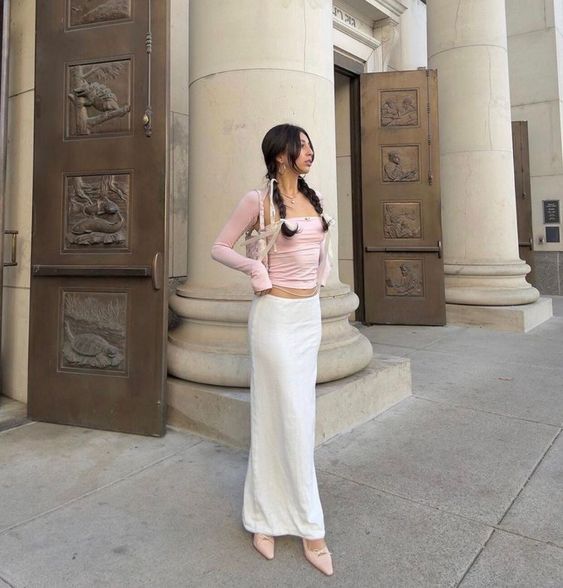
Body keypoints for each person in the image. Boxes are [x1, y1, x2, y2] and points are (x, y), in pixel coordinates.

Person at [210, 123, 334, 576]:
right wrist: (254, 271)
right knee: (284, 418)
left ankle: (269, 517)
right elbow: (219, 247)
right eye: (300, 146)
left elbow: (318, 252)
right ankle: (306, 526)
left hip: (308, 319)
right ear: (280, 154)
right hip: (275, 319)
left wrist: (318, 285)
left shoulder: (311, 199)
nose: (309, 151)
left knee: (297, 415)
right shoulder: (256, 201)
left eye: (309, 144)